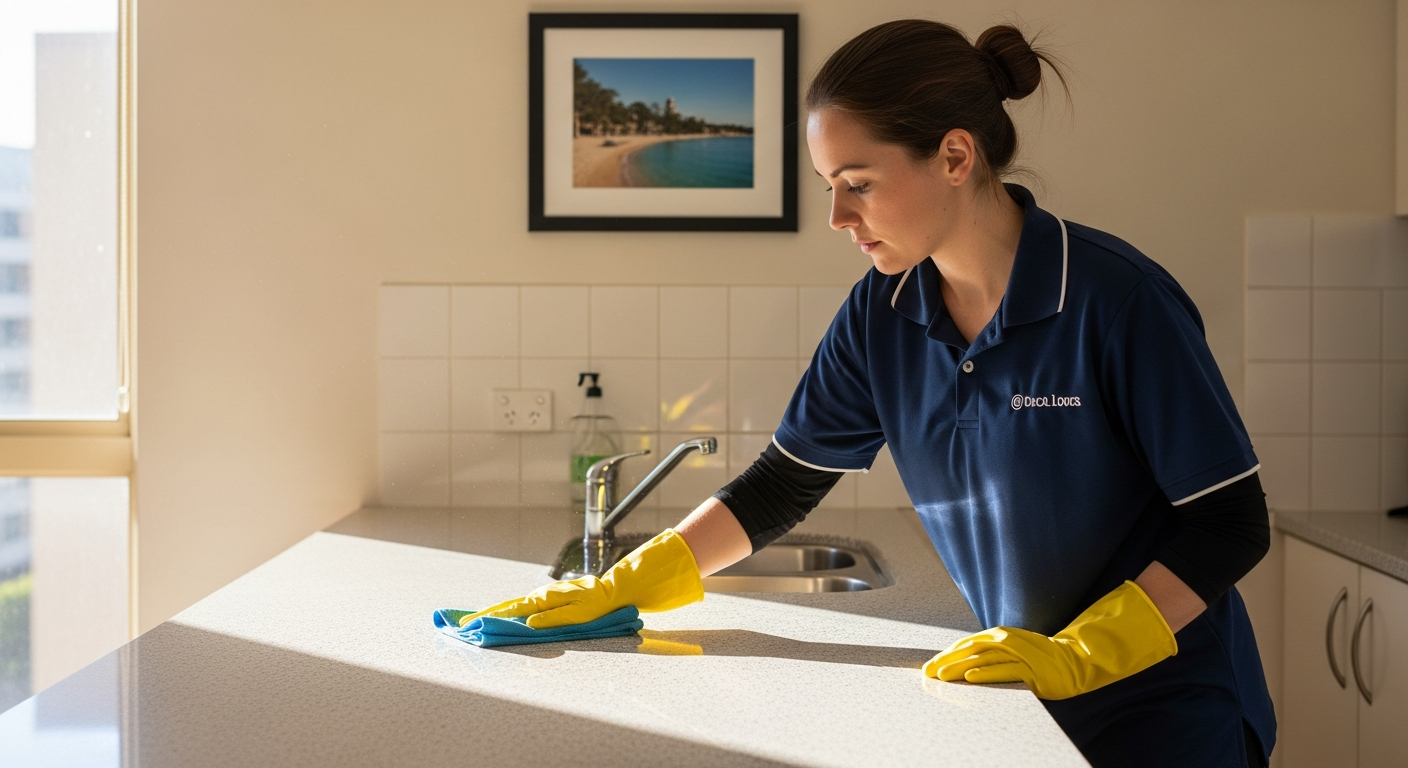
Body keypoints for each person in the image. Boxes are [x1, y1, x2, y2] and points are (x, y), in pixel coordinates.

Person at [469, 20, 1274, 768]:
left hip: (1164, 710)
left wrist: (1085, 651)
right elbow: (785, 482)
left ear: (956, 158)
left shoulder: (1114, 299)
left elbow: (1229, 523)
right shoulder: (882, 309)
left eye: (857, 182)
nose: (836, 215)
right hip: (1014, 694)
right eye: (829, 184)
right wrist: (632, 580)